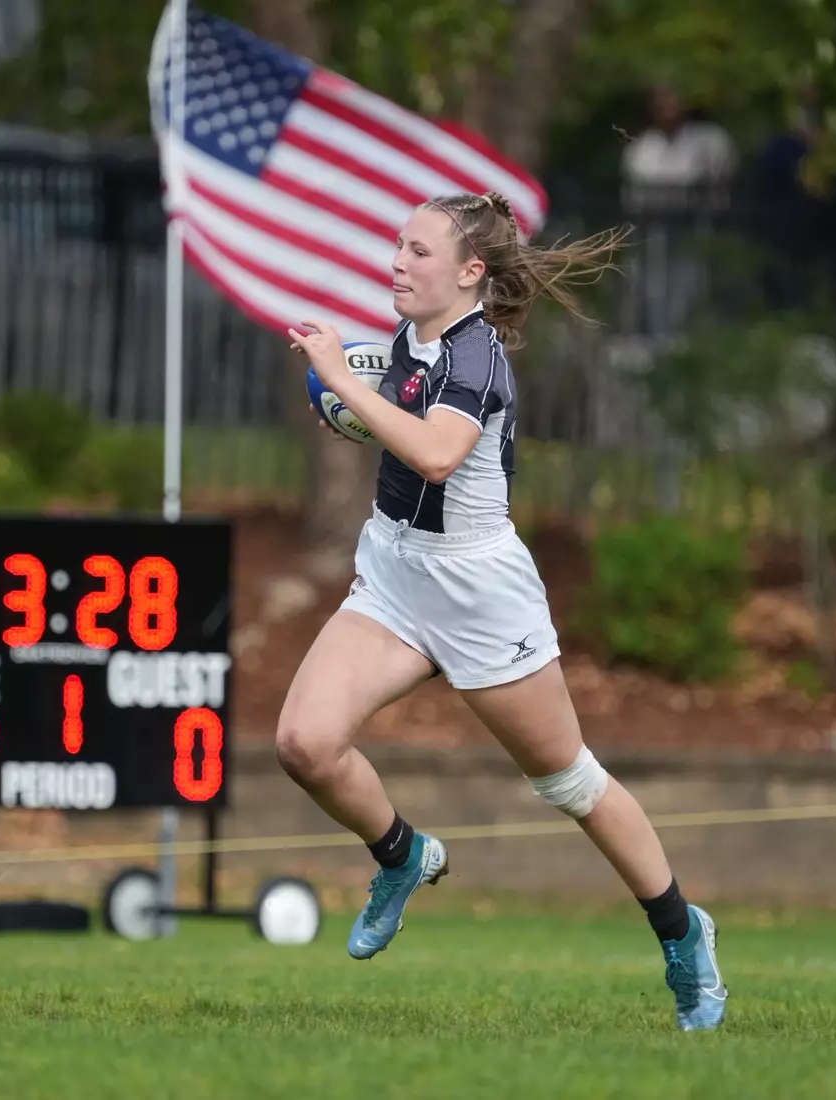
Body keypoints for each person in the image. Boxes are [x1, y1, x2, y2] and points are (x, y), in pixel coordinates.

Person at [281, 190, 727, 1032]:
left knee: (570, 783)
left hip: (479, 592)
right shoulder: (413, 340)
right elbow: (394, 412)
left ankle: (681, 933)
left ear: (470, 272)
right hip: (393, 573)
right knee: (304, 744)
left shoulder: (478, 356)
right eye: (397, 247)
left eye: (417, 252)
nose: (396, 263)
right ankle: (403, 855)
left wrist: (343, 379)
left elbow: (439, 454)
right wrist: (346, 391)